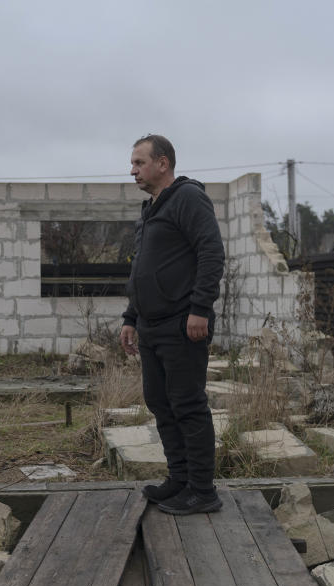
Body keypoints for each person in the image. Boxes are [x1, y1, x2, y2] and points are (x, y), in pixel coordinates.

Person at [120, 134, 225, 515]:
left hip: (183, 324)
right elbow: (141, 269)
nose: (133, 170)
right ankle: (179, 480)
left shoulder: (188, 198)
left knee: (188, 404)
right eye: (132, 164)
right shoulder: (150, 209)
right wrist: (131, 318)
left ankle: (202, 490)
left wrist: (200, 308)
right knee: (160, 403)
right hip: (150, 326)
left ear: (162, 163)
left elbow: (211, 253)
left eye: (139, 163)